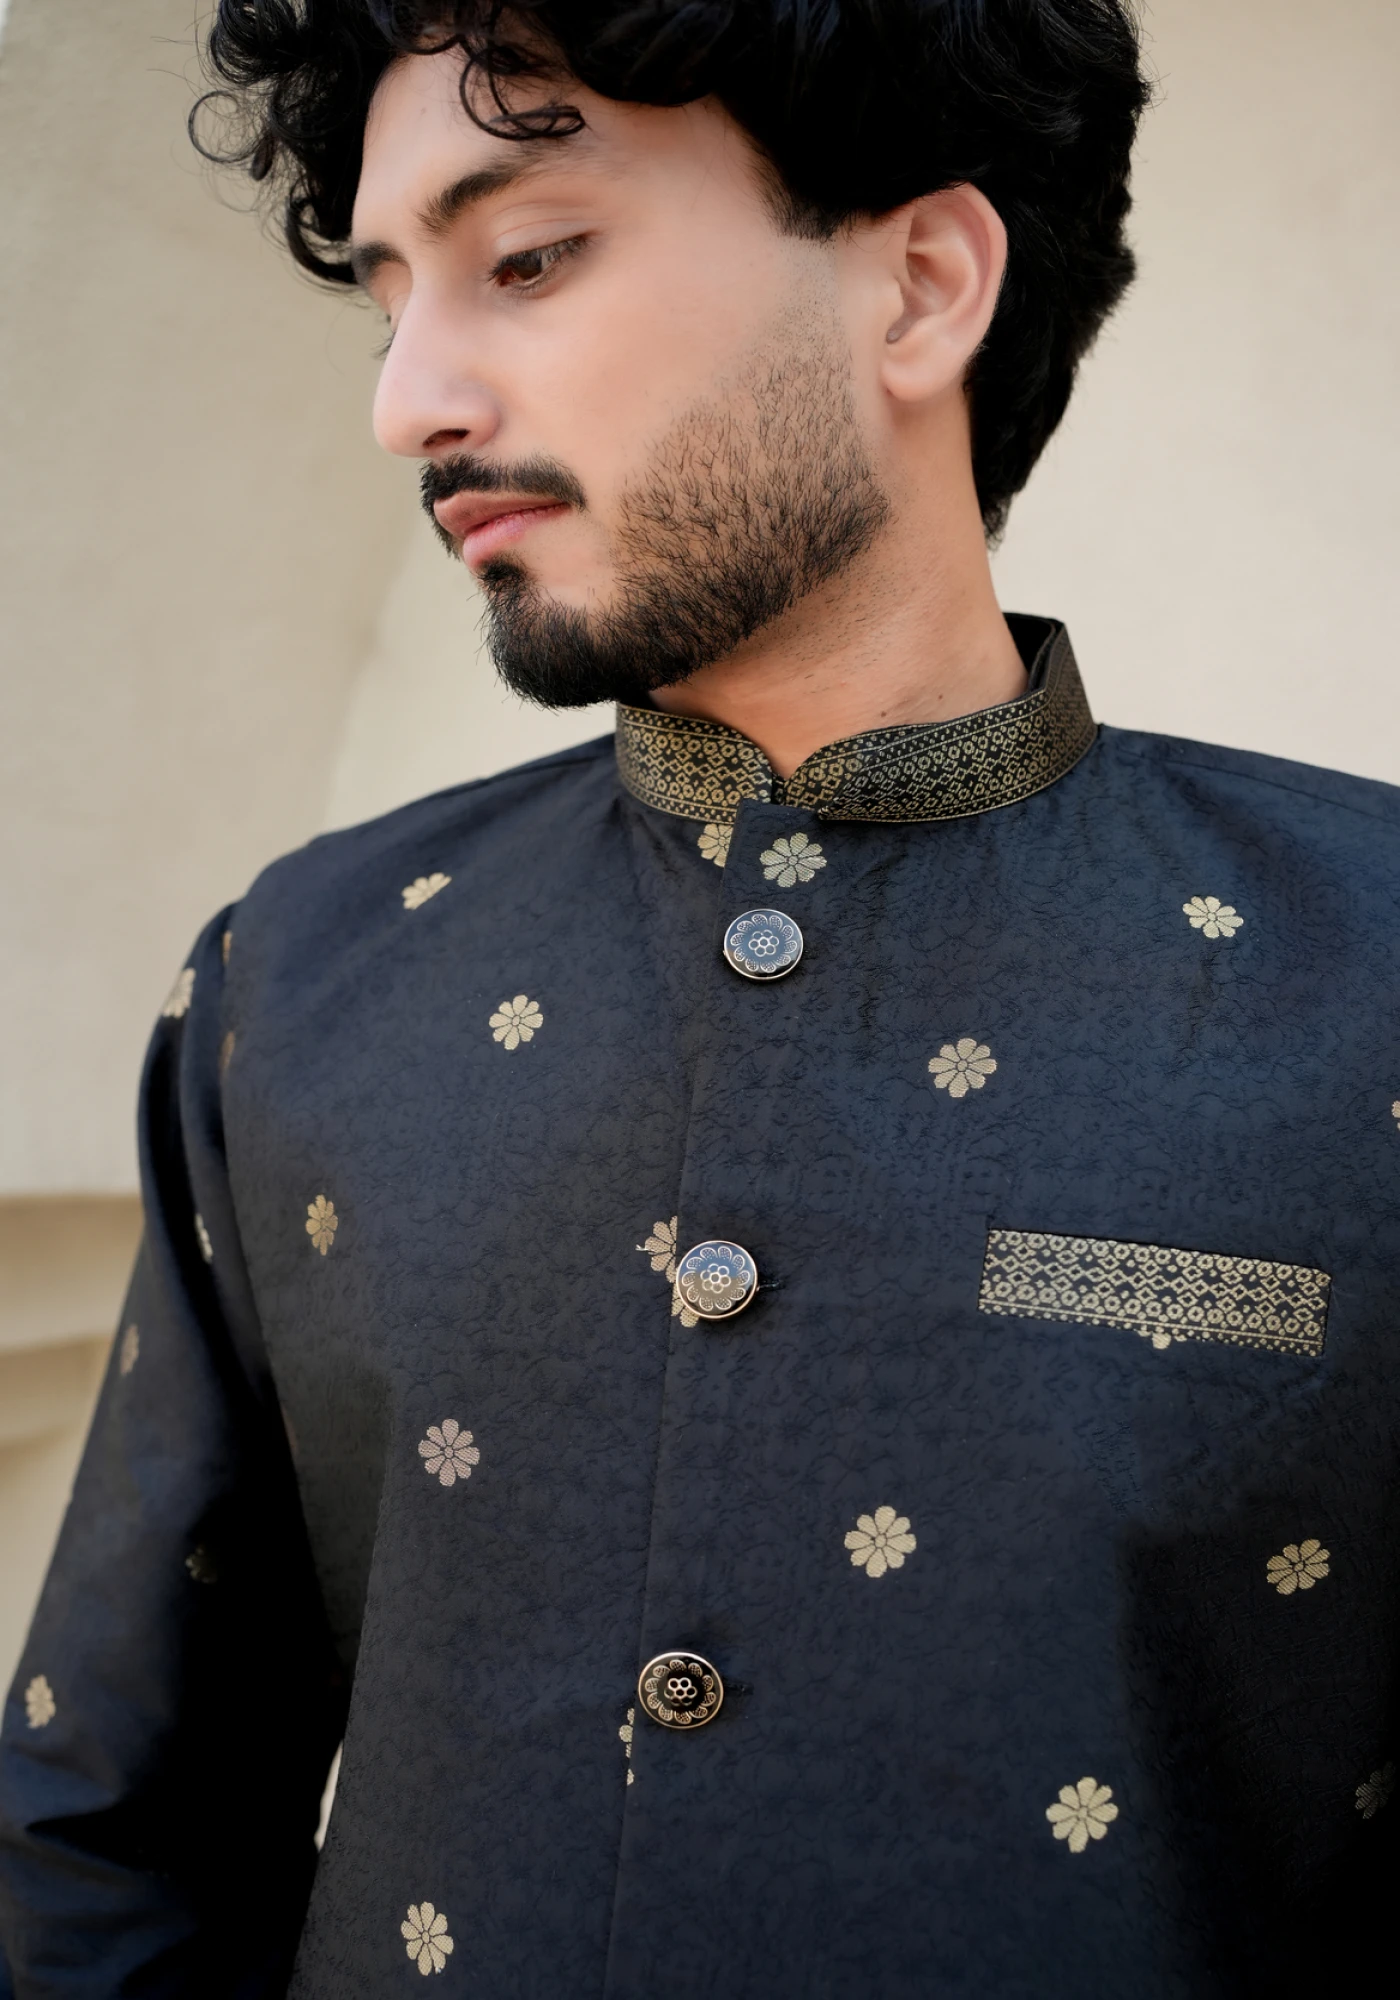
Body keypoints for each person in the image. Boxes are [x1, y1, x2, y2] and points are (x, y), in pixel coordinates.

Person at [1, 2, 1394, 1993]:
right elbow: (102, 1841)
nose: (406, 402)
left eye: (526, 257)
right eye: (387, 300)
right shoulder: (296, 976)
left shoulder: (1368, 976)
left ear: (921, 283)